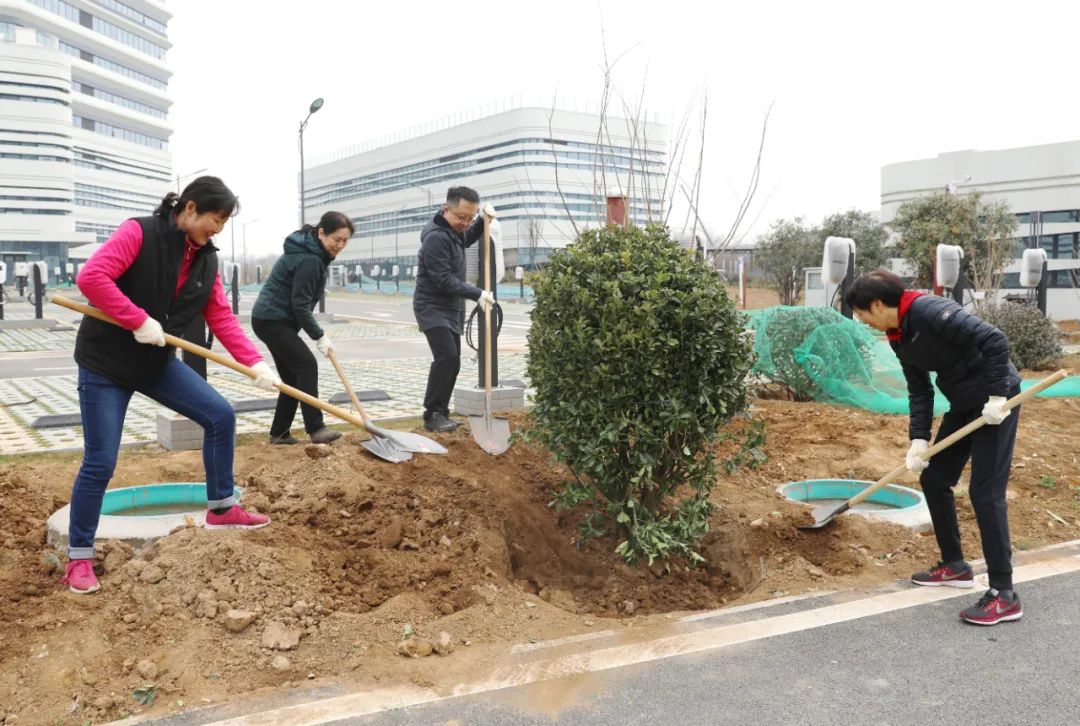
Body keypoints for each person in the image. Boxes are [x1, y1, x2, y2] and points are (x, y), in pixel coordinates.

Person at [65, 176, 279, 595]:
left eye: (223, 223)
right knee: (101, 462)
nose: (217, 230)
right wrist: (137, 319)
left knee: (220, 415)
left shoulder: (206, 260)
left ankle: (221, 507)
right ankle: (79, 557)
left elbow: (219, 315)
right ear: (190, 208)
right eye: (215, 220)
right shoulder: (139, 233)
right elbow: (92, 279)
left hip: (154, 362)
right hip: (105, 363)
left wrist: (254, 362)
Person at [845, 270, 1023, 626]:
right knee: (936, 477)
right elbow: (919, 391)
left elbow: (994, 340)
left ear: (878, 305)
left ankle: (1004, 594)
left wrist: (998, 396)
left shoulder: (929, 311)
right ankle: (955, 565)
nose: (861, 320)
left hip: (995, 402)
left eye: (861, 312)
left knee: (985, 492)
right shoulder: (898, 335)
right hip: (964, 403)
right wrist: (918, 440)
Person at [251, 212, 354, 445]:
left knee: (292, 376)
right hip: (273, 319)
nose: (340, 245)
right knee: (306, 364)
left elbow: (300, 303)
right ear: (321, 233)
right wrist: (320, 336)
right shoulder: (311, 259)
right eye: (336, 239)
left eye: (345, 241)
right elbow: (300, 304)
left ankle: (279, 433)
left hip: (271, 319)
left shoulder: (312, 254)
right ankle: (316, 428)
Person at [413, 187, 495, 433]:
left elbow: (468, 237)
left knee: (453, 362)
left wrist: (482, 220)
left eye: (469, 217)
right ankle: (432, 414)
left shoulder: (454, 231)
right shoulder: (436, 237)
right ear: (446, 209)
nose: (465, 223)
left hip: (450, 309)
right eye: (462, 217)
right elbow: (442, 279)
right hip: (431, 307)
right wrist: (477, 293)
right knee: (446, 357)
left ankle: (442, 412)